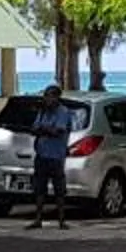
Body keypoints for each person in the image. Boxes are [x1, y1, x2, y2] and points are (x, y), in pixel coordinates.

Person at [26, 92, 75, 229]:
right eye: (46, 96)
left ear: (57, 98)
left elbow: (58, 131)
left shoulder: (63, 112)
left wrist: (43, 129)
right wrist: (45, 130)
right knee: (39, 188)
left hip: (56, 156)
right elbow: (34, 129)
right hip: (42, 154)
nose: (47, 99)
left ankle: (61, 220)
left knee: (59, 189)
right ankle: (38, 219)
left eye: (50, 96)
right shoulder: (43, 112)